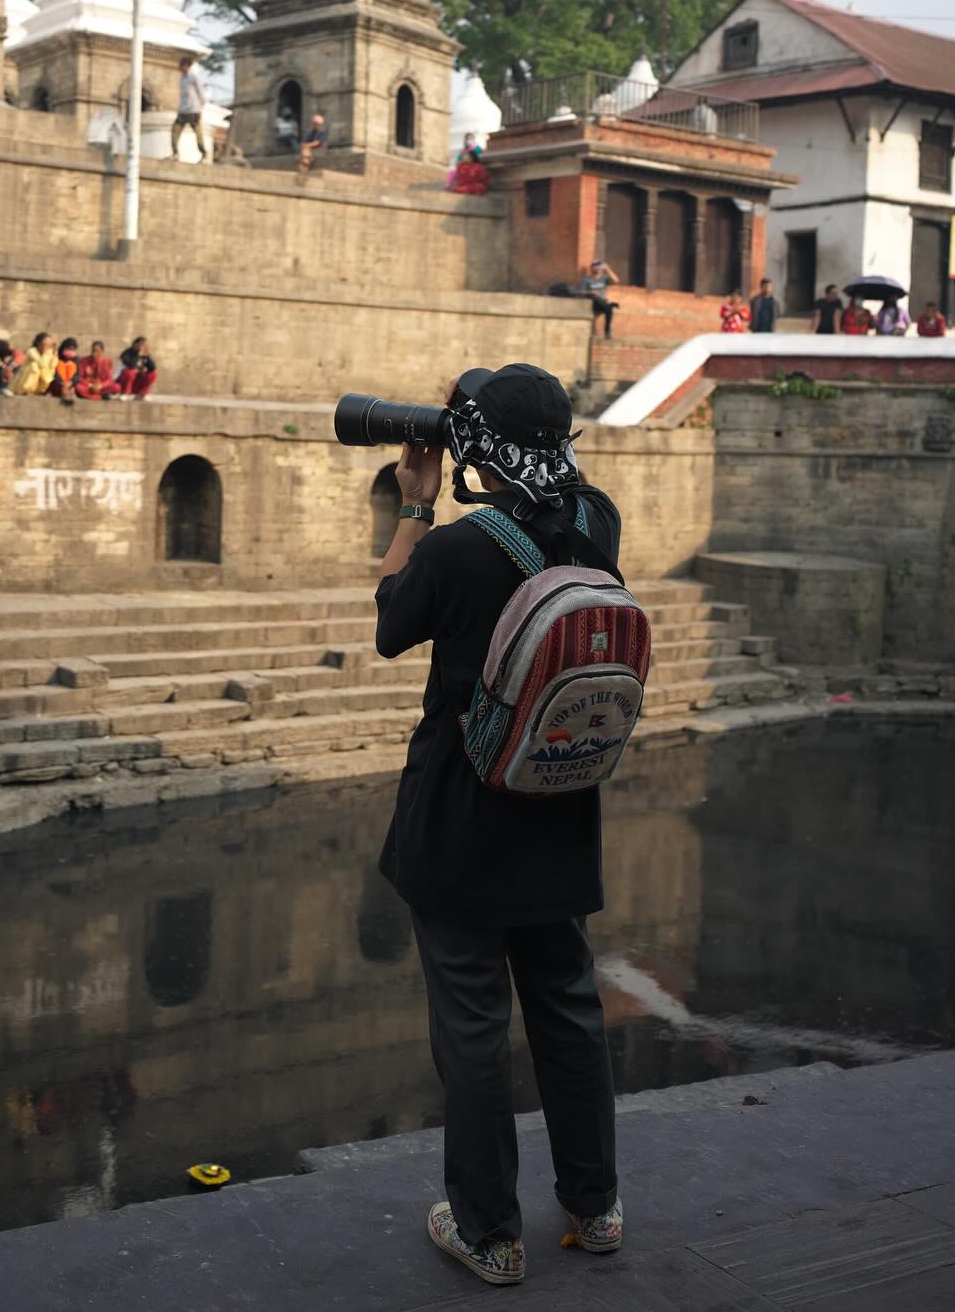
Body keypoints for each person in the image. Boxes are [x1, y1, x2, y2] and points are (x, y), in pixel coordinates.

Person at [374, 364, 623, 1287]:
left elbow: (389, 625)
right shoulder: (599, 524)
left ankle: (489, 1231)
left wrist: (415, 506)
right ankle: (596, 1207)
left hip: (463, 820)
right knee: (567, 1006)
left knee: (474, 1024)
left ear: (475, 445)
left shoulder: (463, 546)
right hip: (560, 808)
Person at [172, 56, 208, 162]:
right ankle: (175, 153)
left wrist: (200, 110)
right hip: (183, 111)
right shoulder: (182, 79)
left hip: (194, 111)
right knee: (175, 131)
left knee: (199, 135)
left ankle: (204, 154)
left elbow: (201, 94)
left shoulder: (193, 77)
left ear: (186, 66)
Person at [580, 261, 619, 338]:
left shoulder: (604, 278)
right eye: (595, 266)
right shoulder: (587, 279)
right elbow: (581, 292)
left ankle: (607, 331)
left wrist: (608, 269)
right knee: (598, 299)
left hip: (603, 303)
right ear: (591, 268)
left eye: (599, 266)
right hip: (593, 303)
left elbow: (616, 281)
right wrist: (590, 292)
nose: (597, 268)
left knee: (608, 310)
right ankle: (610, 305)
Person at [47, 337, 80, 402]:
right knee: (60, 364)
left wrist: (70, 383)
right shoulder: (57, 358)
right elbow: (54, 373)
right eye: (69, 349)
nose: (70, 351)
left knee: (71, 366)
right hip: (58, 384)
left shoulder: (76, 360)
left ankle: (69, 392)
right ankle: (65, 392)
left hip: (70, 384)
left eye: (72, 350)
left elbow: (77, 375)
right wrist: (62, 383)